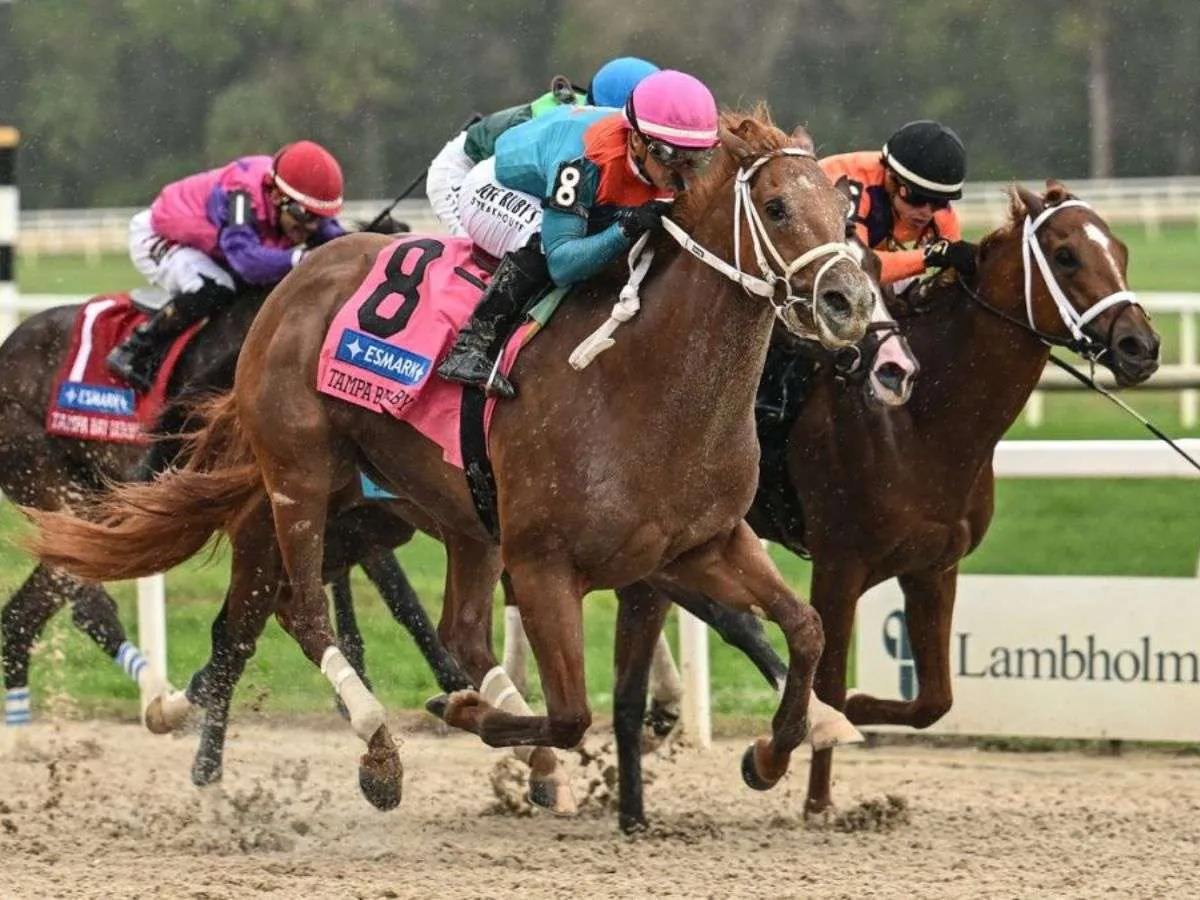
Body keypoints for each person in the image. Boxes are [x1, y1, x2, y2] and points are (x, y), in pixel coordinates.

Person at [437, 69, 720, 399]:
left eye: (697, 158)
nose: (683, 174)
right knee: (541, 243)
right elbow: (562, 263)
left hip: (554, 179)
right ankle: (471, 347)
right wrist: (624, 229)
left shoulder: (650, 158)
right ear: (636, 140)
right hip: (495, 186)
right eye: (670, 156)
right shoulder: (582, 159)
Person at [107, 140, 346, 392]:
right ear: (277, 196)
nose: (311, 227)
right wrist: (300, 259)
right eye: (304, 215)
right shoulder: (241, 196)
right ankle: (134, 349)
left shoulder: (291, 199)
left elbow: (332, 237)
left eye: (320, 218)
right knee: (214, 287)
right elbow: (246, 262)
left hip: (209, 244)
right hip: (159, 235)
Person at [425, 57, 660, 236]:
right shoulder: (561, 128)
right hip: (461, 172)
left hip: (501, 164)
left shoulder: (594, 114)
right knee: (508, 243)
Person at [819, 119, 976, 293]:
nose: (926, 212)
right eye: (918, 197)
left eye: (939, 201)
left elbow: (958, 272)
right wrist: (931, 255)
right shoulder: (850, 183)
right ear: (890, 177)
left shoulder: (941, 214)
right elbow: (855, 270)